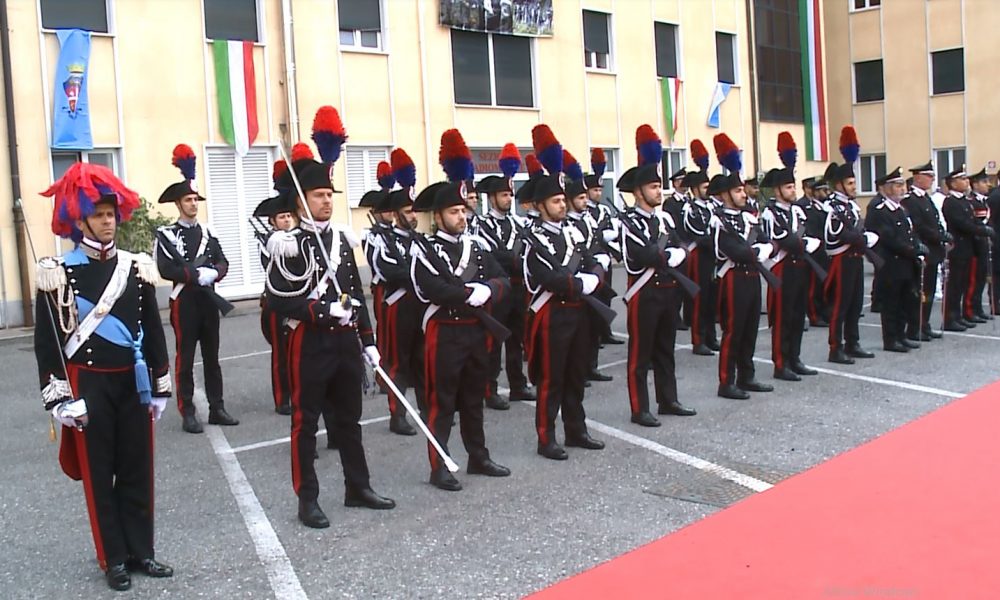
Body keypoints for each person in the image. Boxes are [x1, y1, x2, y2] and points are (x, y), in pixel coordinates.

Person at [35, 163, 174, 591]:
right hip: (88, 382)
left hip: (133, 381)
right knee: (99, 472)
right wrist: (60, 398)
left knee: (137, 467)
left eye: (112, 213)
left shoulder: (135, 267)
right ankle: (112, 557)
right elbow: (48, 342)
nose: (108, 220)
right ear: (79, 220)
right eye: (98, 214)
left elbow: (151, 326)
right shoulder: (59, 272)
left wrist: (161, 382)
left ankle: (141, 551)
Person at [264, 143, 395, 528]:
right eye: (318, 196)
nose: (326, 201)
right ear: (301, 201)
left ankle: (358, 487)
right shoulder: (288, 243)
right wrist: (321, 311)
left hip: (345, 342)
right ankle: (308, 499)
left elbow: (356, 292)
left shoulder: (341, 240)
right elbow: (276, 300)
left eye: (328, 195)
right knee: (305, 424)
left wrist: (369, 341)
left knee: (349, 421)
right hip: (310, 344)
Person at [410, 180, 512, 490]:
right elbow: (429, 288)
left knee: (472, 399)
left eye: (462, 210)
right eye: (453, 212)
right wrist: (468, 293)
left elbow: (503, 280)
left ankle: (478, 456)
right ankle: (438, 466)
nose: (461, 217)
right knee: (441, 402)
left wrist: (488, 290)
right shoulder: (425, 250)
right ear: (438, 217)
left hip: (476, 332)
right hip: (445, 333)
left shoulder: (476, 247)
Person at [155, 144, 238, 433]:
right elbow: (166, 269)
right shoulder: (167, 235)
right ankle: (187, 410)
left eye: (195, 199)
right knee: (186, 358)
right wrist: (194, 275)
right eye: (188, 200)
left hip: (208, 301)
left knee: (212, 357)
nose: (193, 204)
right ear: (178, 204)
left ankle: (217, 407)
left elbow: (224, 261)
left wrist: (213, 274)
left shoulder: (209, 232)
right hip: (185, 302)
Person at [523, 170, 607, 459]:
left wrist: (595, 278)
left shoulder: (573, 231)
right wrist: (579, 283)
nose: (562, 205)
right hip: (552, 315)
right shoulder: (533, 240)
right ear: (540, 205)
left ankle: (576, 429)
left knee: (576, 374)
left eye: (563, 200)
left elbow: (592, 261)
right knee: (551, 378)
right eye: (556, 201)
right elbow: (546, 278)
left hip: (579, 313)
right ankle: (546, 437)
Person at [619, 160, 697, 425]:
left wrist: (675, 253)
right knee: (640, 354)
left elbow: (680, 246)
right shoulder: (629, 222)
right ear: (638, 192)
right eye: (653, 187)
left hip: (668, 290)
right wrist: (669, 254)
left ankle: (668, 400)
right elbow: (642, 255)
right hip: (645, 293)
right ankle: (639, 408)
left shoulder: (663, 219)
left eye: (658, 187)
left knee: (666, 349)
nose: (658, 192)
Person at [710, 172, 775, 399]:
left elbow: (767, 242)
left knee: (750, 328)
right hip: (733, 279)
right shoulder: (718, 220)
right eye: (737, 191)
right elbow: (733, 250)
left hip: (752, 276)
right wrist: (757, 251)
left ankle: (747, 376)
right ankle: (726, 382)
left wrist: (761, 250)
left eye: (741, 190)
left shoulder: (748, 218)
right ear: (726, 195)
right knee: (733, 331)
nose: (743, 194)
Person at [478, 165, 536, 407]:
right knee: (494, 340)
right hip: (499, 288)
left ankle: (517, 385)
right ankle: (489, 388)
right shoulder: (482, 225)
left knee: (517, 338)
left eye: (510, 195)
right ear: (492, 198)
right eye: (504, 195)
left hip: (519, 287)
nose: (508, 199)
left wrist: (515, 258)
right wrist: (514, 258)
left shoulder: (518, 224)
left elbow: (527, 251)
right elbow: (493, 257)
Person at [760, 167, 819, 381]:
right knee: (782, 317)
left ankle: (795, 357)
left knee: (797, 315)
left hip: (799, 266)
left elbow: (807, 233)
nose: (793, 190)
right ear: (777, 190)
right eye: (788, 187)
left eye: (793, 186)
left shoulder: (796, 211)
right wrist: (801, 242)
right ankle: (780, 362)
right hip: (782, 267)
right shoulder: (770, 213)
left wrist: (803, 242)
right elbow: (781, 239)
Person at [823, 160, 878, 364]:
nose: (854, 187)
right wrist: (858, 238)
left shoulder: (850, 206)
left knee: (855, 303)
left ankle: (852, 342)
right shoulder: (832, 206)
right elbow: (833, 235)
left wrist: (864, 237)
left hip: (855, 259)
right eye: (850, 183)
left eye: (854, 183)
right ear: (839, 185)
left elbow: (857, 229)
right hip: (842, 260)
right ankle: (835, 348)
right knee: (840, 305)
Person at [864, 167, 925, 352]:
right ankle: (891, 339)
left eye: (903, 185)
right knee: (891, 304)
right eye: (897, 185)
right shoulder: (880, 211)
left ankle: (901, 335)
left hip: (906, 263)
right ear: (887, 188)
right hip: (891, 264)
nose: (902, 189)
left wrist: (918, 249)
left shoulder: (902, 210)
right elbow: (889, 238)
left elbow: (910, 233)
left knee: (905, 302)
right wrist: (912, 250)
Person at [253, 187, 298, 415]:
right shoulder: (267, 243)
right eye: (282, 217)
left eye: (289, 215)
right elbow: (275, 269)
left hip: (297, 302)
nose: (287, 220)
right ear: (272, 221)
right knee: (280, 352)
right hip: (275, 303)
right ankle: (282, 398)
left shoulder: (299, 239)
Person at [901, 161, 949, 340]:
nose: (932, 179)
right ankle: (915, 328)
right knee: (919, 292)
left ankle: (925, 324)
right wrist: (939, 236)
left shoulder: (925, 198)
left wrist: (942, 235)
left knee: (928, 290)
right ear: (918, 177)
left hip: (933, 250)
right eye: (929, 176)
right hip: (923, 250)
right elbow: (919, 226)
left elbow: (934, 221)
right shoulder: (911, 200)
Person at [942, 166, 993, 331]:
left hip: (968, 248)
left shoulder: (964, 201)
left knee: (963, 284)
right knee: (954, 286)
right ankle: (950, 319)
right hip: (958, 248)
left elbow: (973, 221)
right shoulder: (951, 202)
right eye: (962, 180)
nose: (966, 182)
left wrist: (982, 228)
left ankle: (960, 315)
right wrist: (981, 229)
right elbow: (962, 224)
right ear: (953, 183)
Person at [682, 167, 719, 355]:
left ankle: (711, 337)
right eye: (704, 187)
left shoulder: (713, 207)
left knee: (713, 298)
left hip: (713, 254)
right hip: (700, 256)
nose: (708, 190)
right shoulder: (690, 209)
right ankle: (698, 340)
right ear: (695, 189)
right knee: (700, 298)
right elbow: (698, 234)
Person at [802, 178, 831, 327]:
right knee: (814, 287)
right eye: (823, 190)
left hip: (826, 254)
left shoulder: (825, 209)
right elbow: (813, 233)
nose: (827, 193)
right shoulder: (811, 210)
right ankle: (814, 315)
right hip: (816, 254)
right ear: (815, 192)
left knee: (825, 286)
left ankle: (825, 313)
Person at [967, 168, 994, 322]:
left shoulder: (984, 201)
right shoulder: (972, 202)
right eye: (984, 182)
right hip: (976, 246)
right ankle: (971, 310)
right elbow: (975, 224)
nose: (987, 185)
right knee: (975, 280)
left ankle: (978, 309)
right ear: (975, 185)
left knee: (983, 278)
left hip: (984, 245)